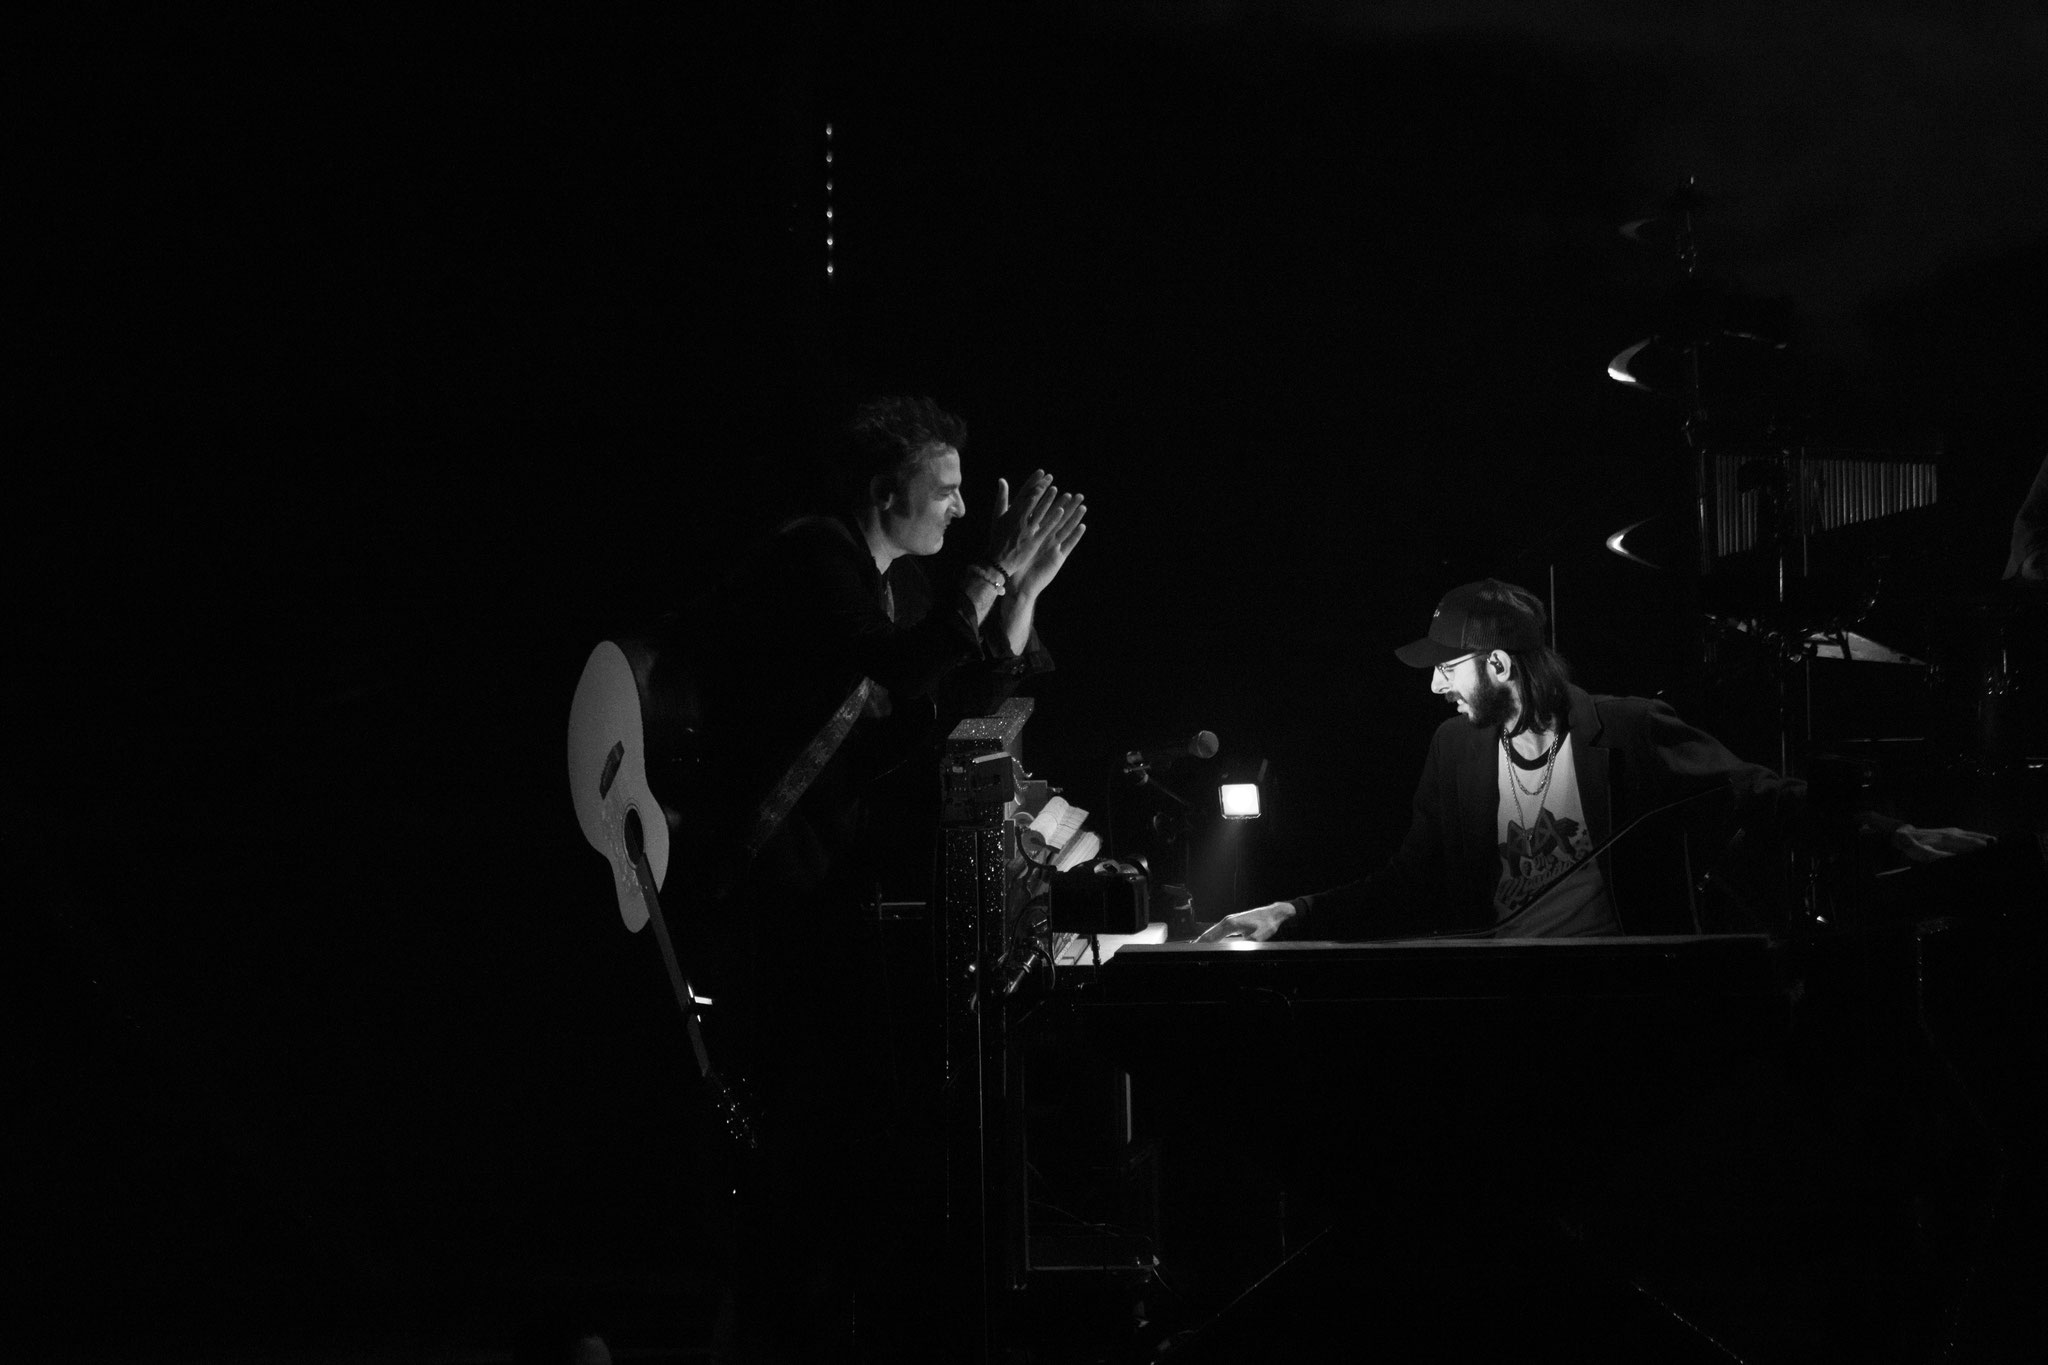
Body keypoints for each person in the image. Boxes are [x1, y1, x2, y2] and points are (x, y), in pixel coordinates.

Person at [663, 395, 1088, 1362]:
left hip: (817, 889)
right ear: (881, 489)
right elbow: (897, 676)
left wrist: (1020, 597)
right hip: (766, 895)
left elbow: (934, 714)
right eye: (941, 490)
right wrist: (987, 573)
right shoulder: (814, 557)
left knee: (833, 1147)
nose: (955, 506)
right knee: (800, 1149)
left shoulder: (879, 588)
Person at [1203, 578, 1992, 943]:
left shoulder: (1629, 728)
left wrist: (1888, 834)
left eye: (1449, 665)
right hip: (1502, 986)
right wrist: (1295, 911)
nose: (1437, 683)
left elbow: (1757, 792)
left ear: (1502, 666)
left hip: (1615, 982)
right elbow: (1409, 879)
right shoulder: (1454, 750)